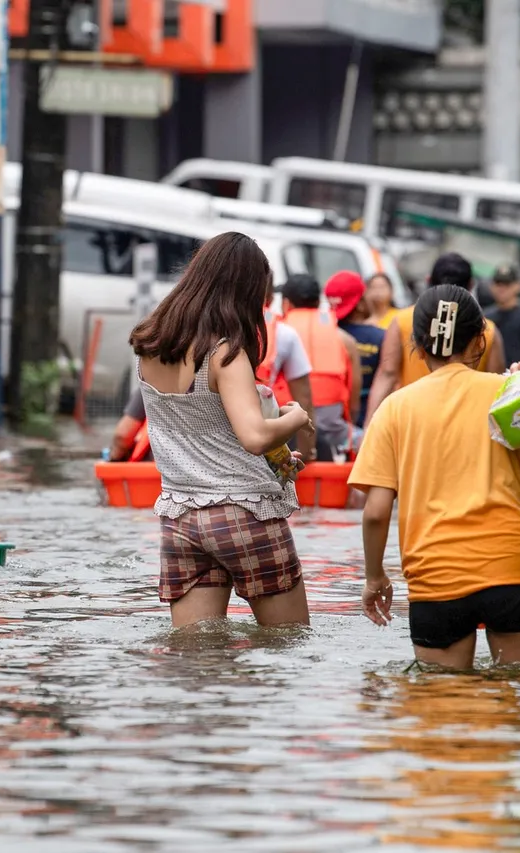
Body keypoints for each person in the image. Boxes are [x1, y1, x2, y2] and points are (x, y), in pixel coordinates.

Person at [352, 284, 520, 669]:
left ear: (416, 342)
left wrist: (374, 577)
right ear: (479, 341)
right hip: (514, 570)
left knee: (441, 708)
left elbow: (376, 512)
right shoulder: (508, 395)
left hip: (437, 580)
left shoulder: (393, 409)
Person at [130, 232, 315, 629]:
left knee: (196, 660)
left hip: (181, 521)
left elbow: (207, 432)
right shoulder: (224, 353)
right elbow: (254, 436)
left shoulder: (149, 346)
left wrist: (274, 461)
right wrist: (296, 418)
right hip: (244, 516)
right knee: (289, 646)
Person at [363, 253, 506, 427]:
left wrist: (369, 425)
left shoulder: (403, 320)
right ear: (470, 285)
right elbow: (498, 393)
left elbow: (387, 374)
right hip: (465, 426)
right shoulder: (487, 330)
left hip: (412, 421)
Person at [280, 274, 362, 462]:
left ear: (286, 304)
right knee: (362, 439)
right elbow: (354, 392)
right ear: (319, 302)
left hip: (285, 422)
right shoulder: (345, 339)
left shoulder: (276, 334)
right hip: (332, 427)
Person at [256, 287, 317, 461]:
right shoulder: (284, 334)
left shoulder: (203, 328)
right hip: (262, 429)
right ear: (269, 298)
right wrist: (307, 452)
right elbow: (303, 397)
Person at [326, 270, 385, 426]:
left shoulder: (324, 334)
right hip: (371, 415)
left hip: (332, 416)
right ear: (359, 304)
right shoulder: (380, 337)